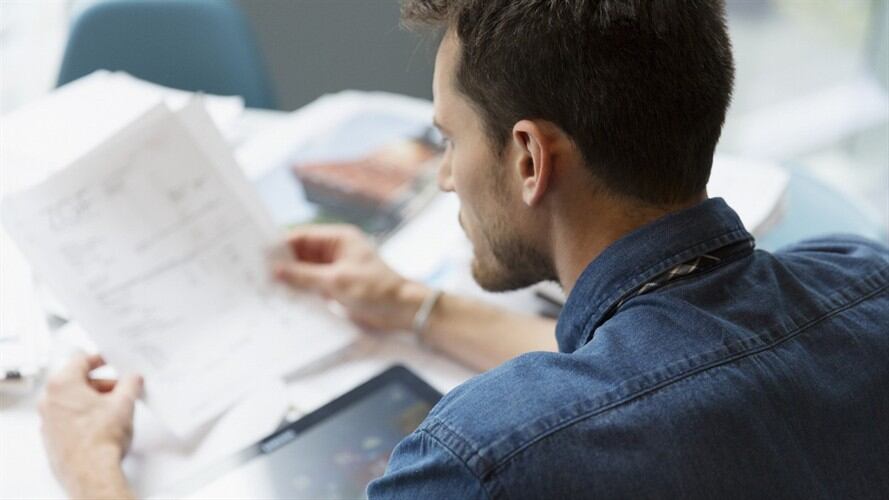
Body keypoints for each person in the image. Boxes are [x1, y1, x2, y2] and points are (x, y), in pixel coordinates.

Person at [38, 0, 889, 498]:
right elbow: (668, 360)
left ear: (529, 159)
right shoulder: (865, 280)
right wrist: (414, 307)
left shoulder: (485, 459)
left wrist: (91, 474)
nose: (444, 176)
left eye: (448, 138)